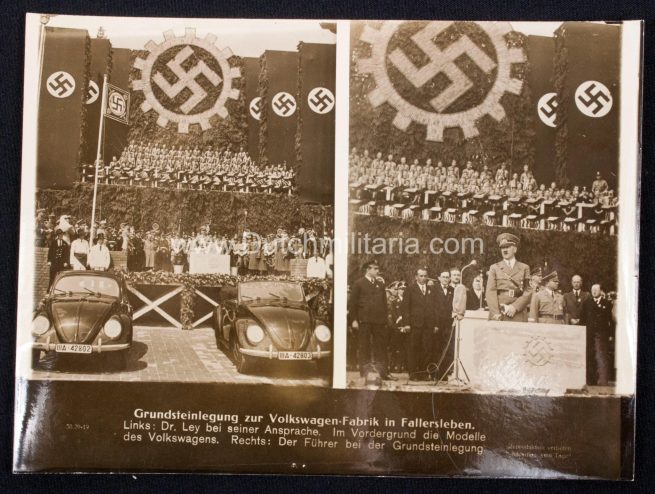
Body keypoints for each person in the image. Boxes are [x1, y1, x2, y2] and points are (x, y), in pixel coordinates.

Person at [349, 260, 395, 381]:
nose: (377, 271)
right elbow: (352, 304)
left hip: (379, 321)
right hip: (364, 320)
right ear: (367, 270)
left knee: (381, 347)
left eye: (377, 268)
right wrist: (353, 320)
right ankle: (365, 373)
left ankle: (384, 372)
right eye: (374, 268)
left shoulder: (380, 284)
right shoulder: (359, 284)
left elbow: (384, 303)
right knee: (364, 346)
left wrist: (386, 319)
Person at [401, 268, 438, 380]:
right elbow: (405, 308)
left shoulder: (432, 290)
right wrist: (407, 323)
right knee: (414, 349)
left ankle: (423, 373)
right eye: (420, 276)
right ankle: (413, 373)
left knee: (426, 349)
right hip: (414, 325)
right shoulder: (410, 289)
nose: (423, 278)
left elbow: (435, 309)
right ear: (416, 277)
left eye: (425, 276)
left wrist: (435, 324)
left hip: (428, 325)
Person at [485, 233, 532, 322]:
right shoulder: (494, 268)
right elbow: (490, 292)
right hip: (500, 311)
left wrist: (515, 307)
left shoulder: (524, 268)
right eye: (502, 247)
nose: (505, 250)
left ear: (515, 249)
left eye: (508, 247)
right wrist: (495, 313)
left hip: (518, 312)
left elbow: (528, 291)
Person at [582, 284, 614, 386]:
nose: (594, 291)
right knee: (590, 356)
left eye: (596, 290)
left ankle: (603, 380)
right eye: (592, 290)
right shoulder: (587, 303)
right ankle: (590, 380)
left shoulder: (607, 304)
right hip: (589, 333)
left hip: (602, 334)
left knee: (602, 356)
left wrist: (610, 334)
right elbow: (583, 319)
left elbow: (610, 321)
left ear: (600, 291)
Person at [433, 270, 455, 377]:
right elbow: (431, 308)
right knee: (435, 347)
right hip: (437, 324)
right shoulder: (433, 289)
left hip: (448, 324)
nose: (446, 279)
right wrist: (434, 324)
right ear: (439, 278)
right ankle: (433, 373)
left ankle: (443, 373)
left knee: (446, 348)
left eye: (447, 277)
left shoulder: (452, 290)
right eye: (444, 277)